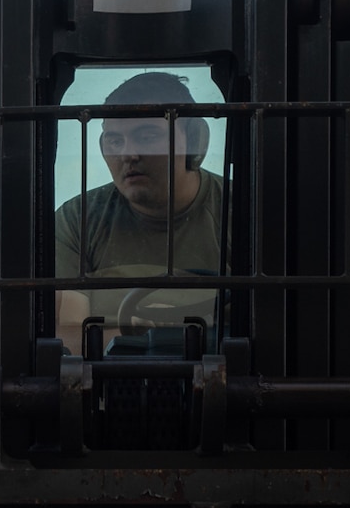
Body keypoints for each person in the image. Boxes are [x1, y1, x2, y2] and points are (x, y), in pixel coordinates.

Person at [53, 71, 225, 342]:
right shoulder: (77, 220)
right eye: (115, 141)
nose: (128, 154)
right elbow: (65, 338)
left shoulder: (243, 213)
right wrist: (136, 334)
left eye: (146, 137)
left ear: (193, 140)